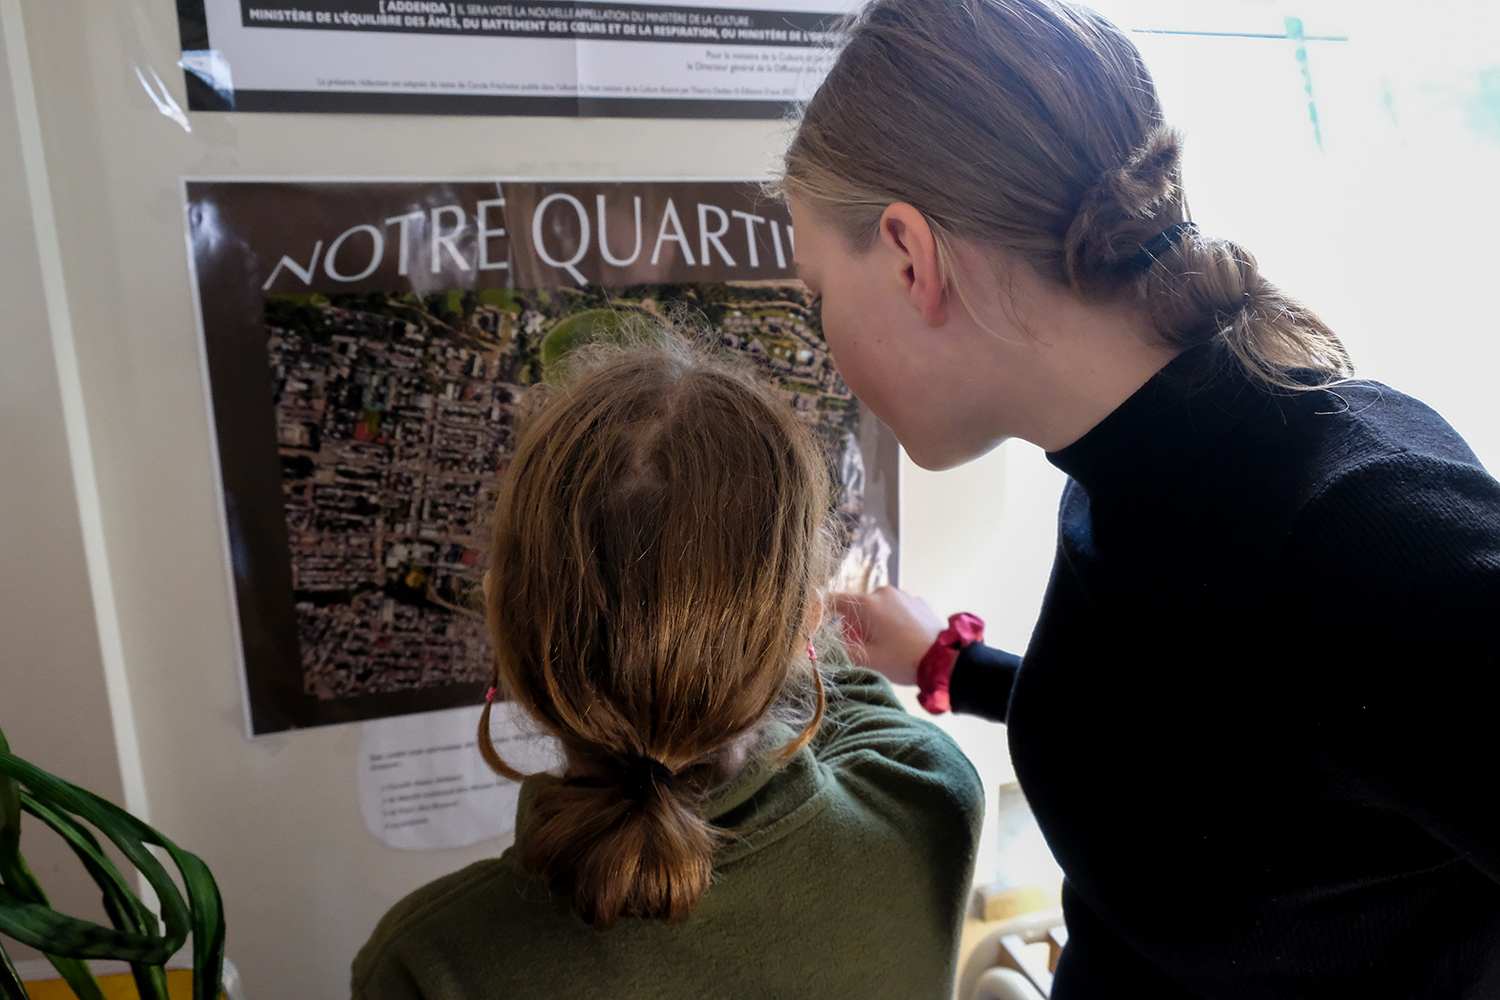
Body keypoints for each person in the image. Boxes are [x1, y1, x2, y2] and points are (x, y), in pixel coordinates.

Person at [782, 0, 1500, 997]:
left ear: (910, 255)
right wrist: (954, 665)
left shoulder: (1364, 534)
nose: (823, 342)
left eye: (816, 292)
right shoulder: (1134, 462)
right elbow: (1215, 736)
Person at [350, 335, 984, 1000]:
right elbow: (864, 712)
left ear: (506, 623)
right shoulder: (928, 807)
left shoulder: (429, 965)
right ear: (803, 625)